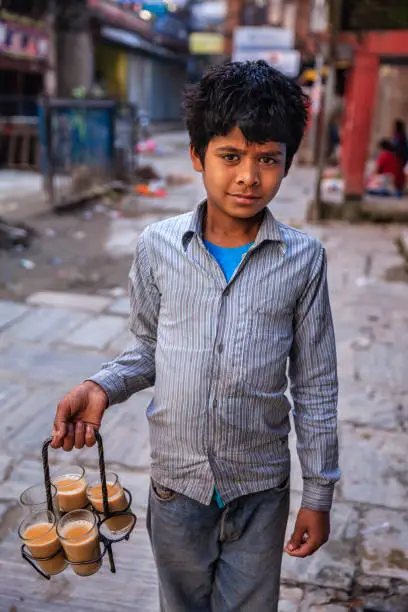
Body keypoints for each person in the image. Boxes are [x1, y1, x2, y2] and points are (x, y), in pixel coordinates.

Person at [51, 61, 340, 612]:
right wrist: (103, 386)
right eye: (230, 156)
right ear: (196, 156)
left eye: (267, 160)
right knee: (180, 604)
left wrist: (318, 495)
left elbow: (316, 386)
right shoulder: (158, 246)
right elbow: (146, 348)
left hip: (260, 489)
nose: (248, 177)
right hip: (176, 486)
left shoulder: (304, 260)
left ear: (287, 164)